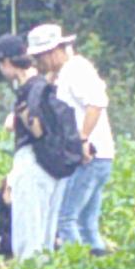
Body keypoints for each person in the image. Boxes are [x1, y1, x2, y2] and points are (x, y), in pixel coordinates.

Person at [0, 30, 71, 260]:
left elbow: (36, 129)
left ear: (6, 62)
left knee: (29, 234)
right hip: (55, 164)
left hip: (33, 162)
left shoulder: (30, 90)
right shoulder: (47, 85)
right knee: (46, 235)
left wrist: (20, 117)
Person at [47, 35, 114, 253]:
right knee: (87, 225)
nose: (40, 63)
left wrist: (82, 138)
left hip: (89, 156)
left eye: (41, 57)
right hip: (102, 156)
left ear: (55, 51)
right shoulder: (70, 71)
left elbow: (96, 103)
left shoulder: (75, 70)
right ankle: (100, 268)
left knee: (65, 218)